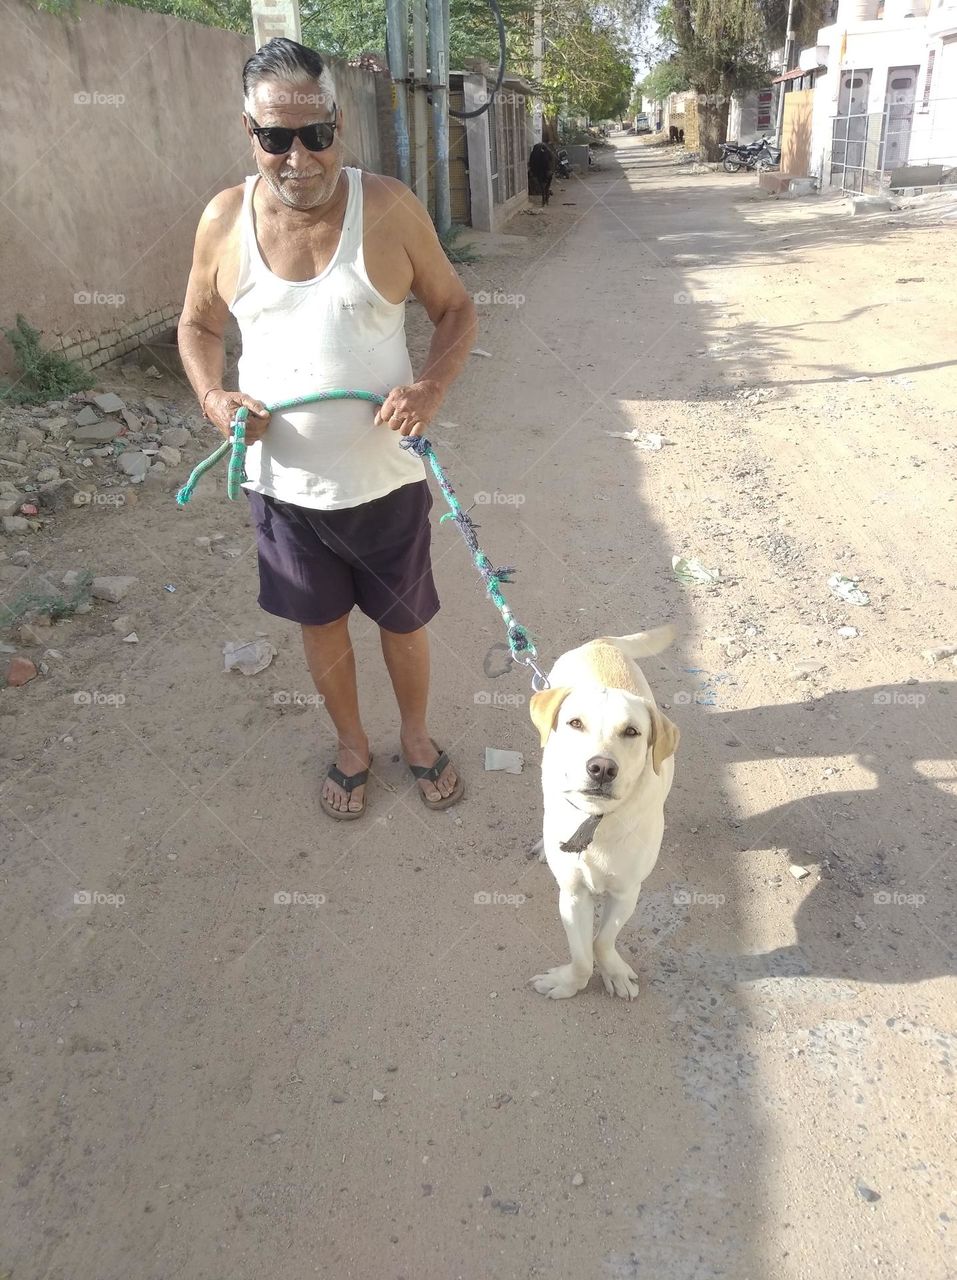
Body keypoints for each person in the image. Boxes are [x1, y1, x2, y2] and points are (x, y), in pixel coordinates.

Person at [178, 37, 477, 819]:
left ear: (340, 125)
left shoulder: (388, 208)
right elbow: (197, 325)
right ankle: (351, 744)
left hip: (385, 482)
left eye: (316, 134)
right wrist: (215, 398)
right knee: (320, 627)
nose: (299, 157)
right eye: (276, 137)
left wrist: (430, 386)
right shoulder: (223, 219)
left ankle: (414, 737)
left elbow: (455, 307)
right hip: (282, 490)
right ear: (250, 132)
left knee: (405, 626)